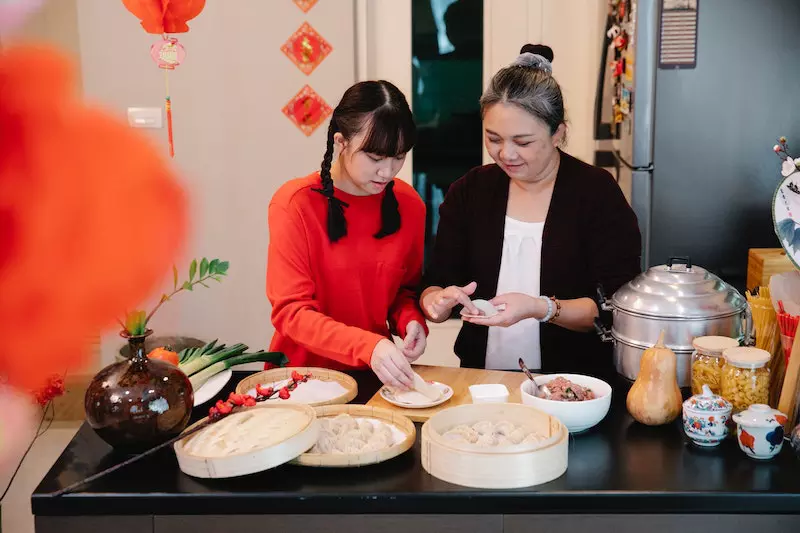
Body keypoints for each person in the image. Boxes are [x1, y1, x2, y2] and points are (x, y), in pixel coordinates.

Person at [420, 44, 641, 380]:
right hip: (483, 380)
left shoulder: (596, 193)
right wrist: (435, 302)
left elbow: (617, 307)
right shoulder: (470, 191)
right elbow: (435, 283)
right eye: (493, 138)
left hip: (573, 385)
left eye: (522, 142)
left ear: (558, 134)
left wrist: (542, 308)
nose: (505, 153)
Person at [267, 80, 428, 390]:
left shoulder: (410, 206)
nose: (388, 172)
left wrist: (411, 321)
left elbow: (403, 293)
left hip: (376, 379)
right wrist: (368, 346)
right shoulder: (294, 204)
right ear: (341, 142)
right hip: (301, 383)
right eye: (376, 158)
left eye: (399, 157)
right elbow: (292, 312)